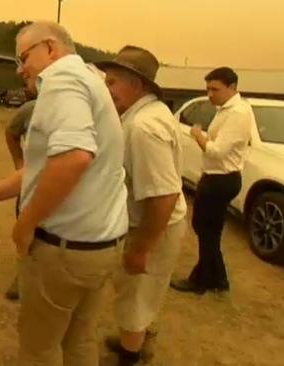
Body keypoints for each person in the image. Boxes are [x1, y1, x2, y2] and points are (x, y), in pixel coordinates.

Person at [0, 21, 128, 366]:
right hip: (101, 247)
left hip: (64, 252)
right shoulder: (90, 78)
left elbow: (74, 157)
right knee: (78, 340)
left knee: (38, 349)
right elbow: (49, 167)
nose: (20, 69)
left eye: (23, 58)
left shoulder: (61, 80)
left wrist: (25, 223)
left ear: (50, 48)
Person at [97, 46, 187, 366]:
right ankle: (133, 339)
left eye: (112, 83)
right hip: (152, 222)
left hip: (152, 226)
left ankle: (130, 355)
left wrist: (141, 247)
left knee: (136, 294)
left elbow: (164, 195)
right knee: (141, 292)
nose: (106, 90)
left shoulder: (142, 127)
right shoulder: (143, 116)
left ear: (137, 85)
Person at [171, 67, 253, 294]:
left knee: (205, 228)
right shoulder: (226, 109)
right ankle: (217, 278)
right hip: (216, 177)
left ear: (232, 88)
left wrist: (198, 135)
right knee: (209, 230)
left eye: (215, 89)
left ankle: (201, 280)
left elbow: (216, 151)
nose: (210, 94)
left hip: (221, 179)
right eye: (207, 89)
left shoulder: (237, 113)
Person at [2, 76, 37, 301]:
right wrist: (19, 163)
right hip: (31, 180)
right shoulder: (31, 109)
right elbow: (11, 132)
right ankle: (22, 275)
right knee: (26, 223)